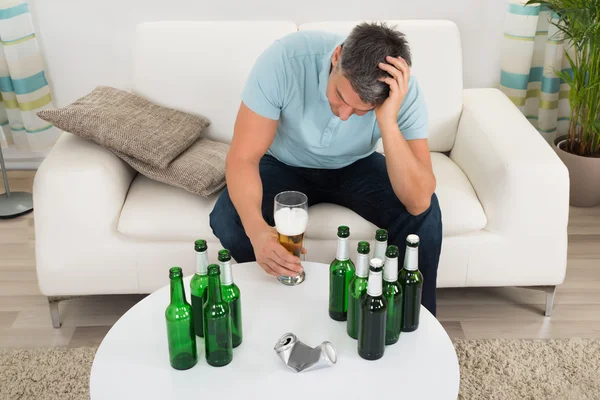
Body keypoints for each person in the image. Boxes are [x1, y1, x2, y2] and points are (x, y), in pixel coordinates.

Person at [209, 21, 442, 316]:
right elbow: (242, 158)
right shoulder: (283, 61)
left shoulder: (400, 90)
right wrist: (258, 234)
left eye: (361, 110)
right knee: (229, 218)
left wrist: (387, 120)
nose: (345, 115)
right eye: (341, 97)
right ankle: (275, 309)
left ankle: (410, 321)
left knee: (425, 215)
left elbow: (419, 200)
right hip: (285, 163)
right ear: (336, 58)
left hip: (356, 165)